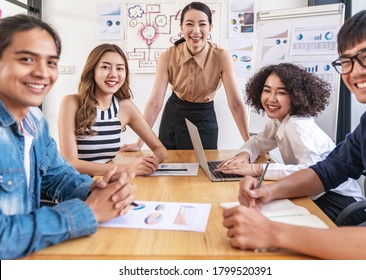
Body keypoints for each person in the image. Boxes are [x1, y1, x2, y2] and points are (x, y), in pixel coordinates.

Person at [222, 9, 366, 259]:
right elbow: (326, 171)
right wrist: (267, 192)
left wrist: (273, 232)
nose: (355, 71)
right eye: (346, 61)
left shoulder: (299, 124)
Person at [0, 14, 137, 259]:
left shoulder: (35, 122)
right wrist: (88, 212)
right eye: (26, 59)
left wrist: (94, 189)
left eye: (51, 62)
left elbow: (59, 175)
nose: (42, 72)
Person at [216, 63, 365, 224]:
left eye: (281, 92)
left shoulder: (297, 125)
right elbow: (258, 142)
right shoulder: (280, 120)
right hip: (317, 196)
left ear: (296, 96)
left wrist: (255, 169)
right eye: (267, 90)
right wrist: (244, 156)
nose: (271, 98)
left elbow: (310, 172)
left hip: (340, 203)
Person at [128, 1, 249, 150]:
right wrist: (139, 143)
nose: (196, 31)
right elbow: (154, 103)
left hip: (204, 117)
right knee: (170, 167)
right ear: (182, 27)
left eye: (202, 24)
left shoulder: (222, 57)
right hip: (174, 115)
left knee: (205, 168)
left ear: (210, 28)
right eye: (189, 24)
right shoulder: (168, 56)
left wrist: (250, 144)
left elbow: (236, 104)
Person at [58, 44, 167, 177]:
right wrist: (128, 168)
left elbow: (160, 149)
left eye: (120, 68)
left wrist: (148, 163)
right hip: (75, 184)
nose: (113, 74)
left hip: (106, 181)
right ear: (92, 71)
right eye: (105, 67)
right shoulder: (71, 103)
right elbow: (70, 163)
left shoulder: (125, 107)